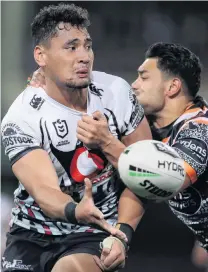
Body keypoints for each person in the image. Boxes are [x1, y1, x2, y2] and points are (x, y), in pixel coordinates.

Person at [1, 3, 152, 272]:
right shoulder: (21, 117)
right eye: (71, 47)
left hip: (94, 231)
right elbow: (44, 191)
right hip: (30, 235)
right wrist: (75, 210)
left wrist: (122, 235)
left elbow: (147, 176)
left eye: (87, 46)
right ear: (41, 56)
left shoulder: (116, 94)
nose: (84, 56)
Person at [87, 42, 207, 271]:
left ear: (172, 87)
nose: (134, 85)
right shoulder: (150, 130)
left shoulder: (200, 128)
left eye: (143, 77)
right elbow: (138, 185)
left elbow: (167, 177)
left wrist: (107, 143)